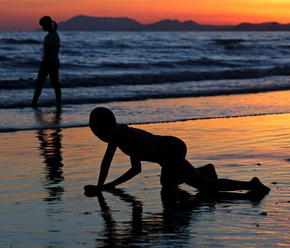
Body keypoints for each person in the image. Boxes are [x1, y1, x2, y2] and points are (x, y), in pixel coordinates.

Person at [84, 107, 270, 196]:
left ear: (102, 126)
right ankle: (205, 170)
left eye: (95, 131)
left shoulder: (117, 132)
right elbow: (136, 169)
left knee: (205, 186)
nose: (97, 135)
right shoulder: (125, 136)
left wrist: (99, 186)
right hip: (168, 149)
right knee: (167, 183)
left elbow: (106, 161)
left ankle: (251, 184)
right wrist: (109, 185)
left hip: (169, 149)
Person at [32, 16, 62, 108]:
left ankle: (34, 103)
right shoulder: (56, 35)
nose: (42, 27)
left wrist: (45, 65)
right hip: (55, 61)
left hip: (48, 63)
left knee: (39, 84)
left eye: (43, 25)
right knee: (55, 84)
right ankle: (58, 103)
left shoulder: (48, 37)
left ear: (47, 25)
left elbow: (48, 53)